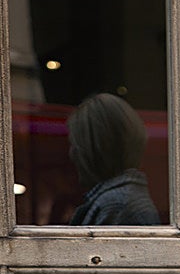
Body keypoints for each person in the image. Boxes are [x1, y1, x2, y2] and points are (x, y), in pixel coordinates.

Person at [67, 93, 161, 225]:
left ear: (95, 148)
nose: (72, 153)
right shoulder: (122, 200)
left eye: (76, 144)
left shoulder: (116, 205)